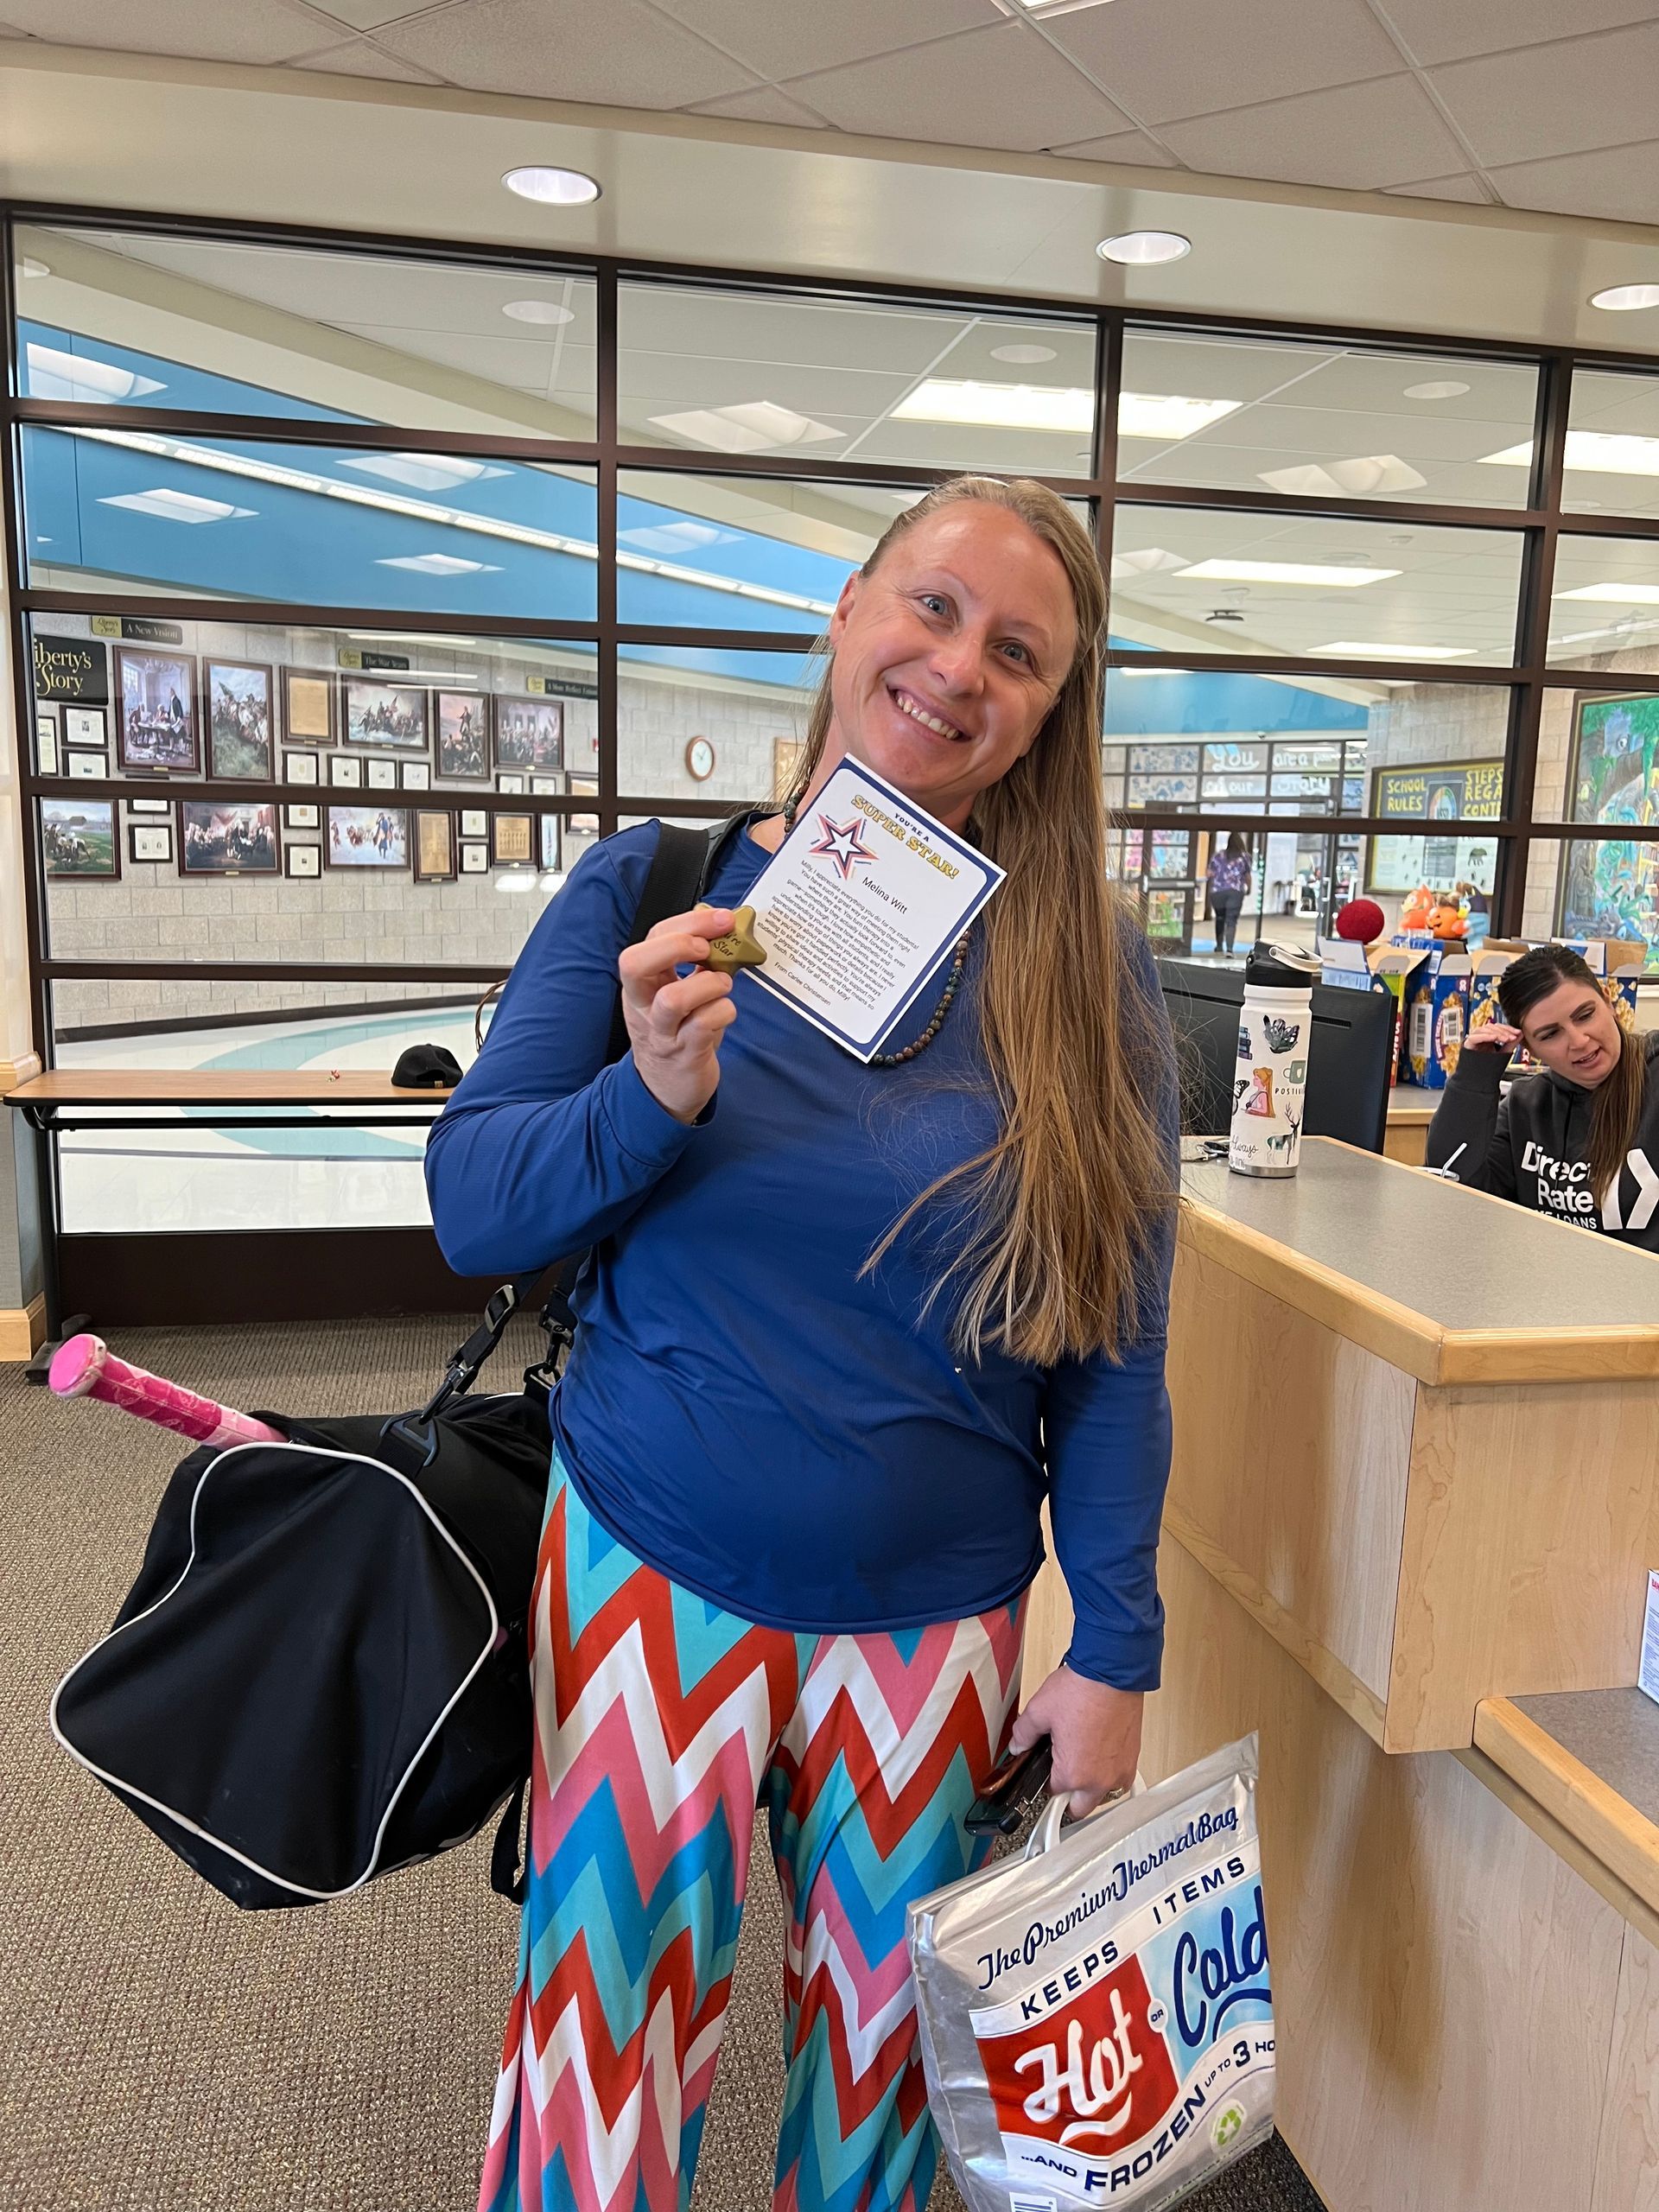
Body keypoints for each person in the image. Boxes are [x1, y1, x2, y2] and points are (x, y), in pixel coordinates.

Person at [426, 476, 1179, 2212]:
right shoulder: (657, 887)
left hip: (933, 1620)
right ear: (844, 612)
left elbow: (1117, 1346)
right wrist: (653, 1090)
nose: (956, 666)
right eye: (928, 606)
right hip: (650, 1567)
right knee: (595, 2072)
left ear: (1050, 716)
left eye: (1016, 652)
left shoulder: (1090, 988)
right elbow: (476, 1204)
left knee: (882, 2104)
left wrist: (1115, 1643)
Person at [1426, 942, 1659, 1243]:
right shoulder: (1526, 1106)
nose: (1578, 1041)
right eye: (1550, 1034)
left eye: (1585, 1015)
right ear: (1530, 1049)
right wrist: (1475, 1076)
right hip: (1541, 1281)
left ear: (1608, 1001)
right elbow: (1452, 1187)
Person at [1206, 830, 1252, 954]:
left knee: (1220, 918)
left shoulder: (1218, 855)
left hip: (1217, 892)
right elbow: (1247, 876)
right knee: (1231, 920)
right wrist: (1249, 889)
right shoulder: (1245, 857)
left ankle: (1219, 946)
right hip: (1235, 892)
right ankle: (1230, 948)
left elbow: (1209, 873)